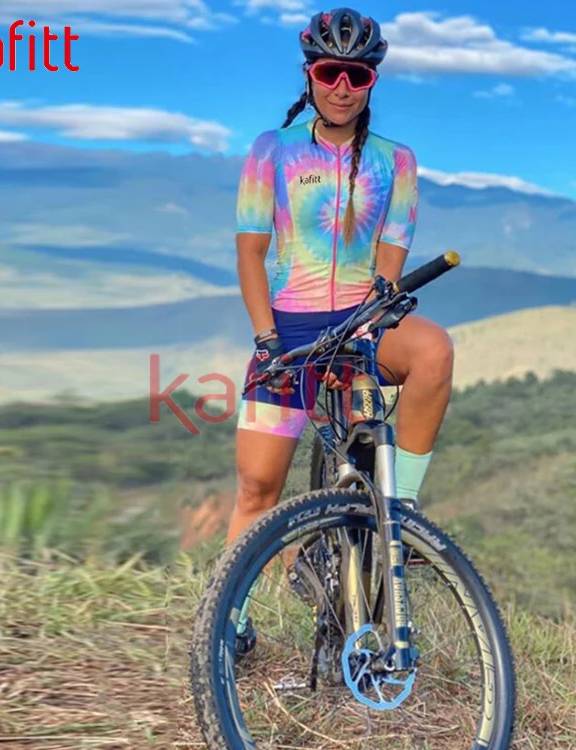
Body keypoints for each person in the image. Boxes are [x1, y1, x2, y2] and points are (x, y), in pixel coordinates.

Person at [229, 7, 454, 552]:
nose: (343, 88)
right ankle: (237, 602)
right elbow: (251, 254)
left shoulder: (396, 161)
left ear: (371, 81)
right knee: (258, 490)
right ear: (311, 74)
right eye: (331, 72)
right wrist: (267, 340)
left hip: (360, 323)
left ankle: (400, 512)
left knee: (434, 350)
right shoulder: (272, 150)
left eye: (358, 76)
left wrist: (367, 332)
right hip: (287, 328)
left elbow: (390, 259)